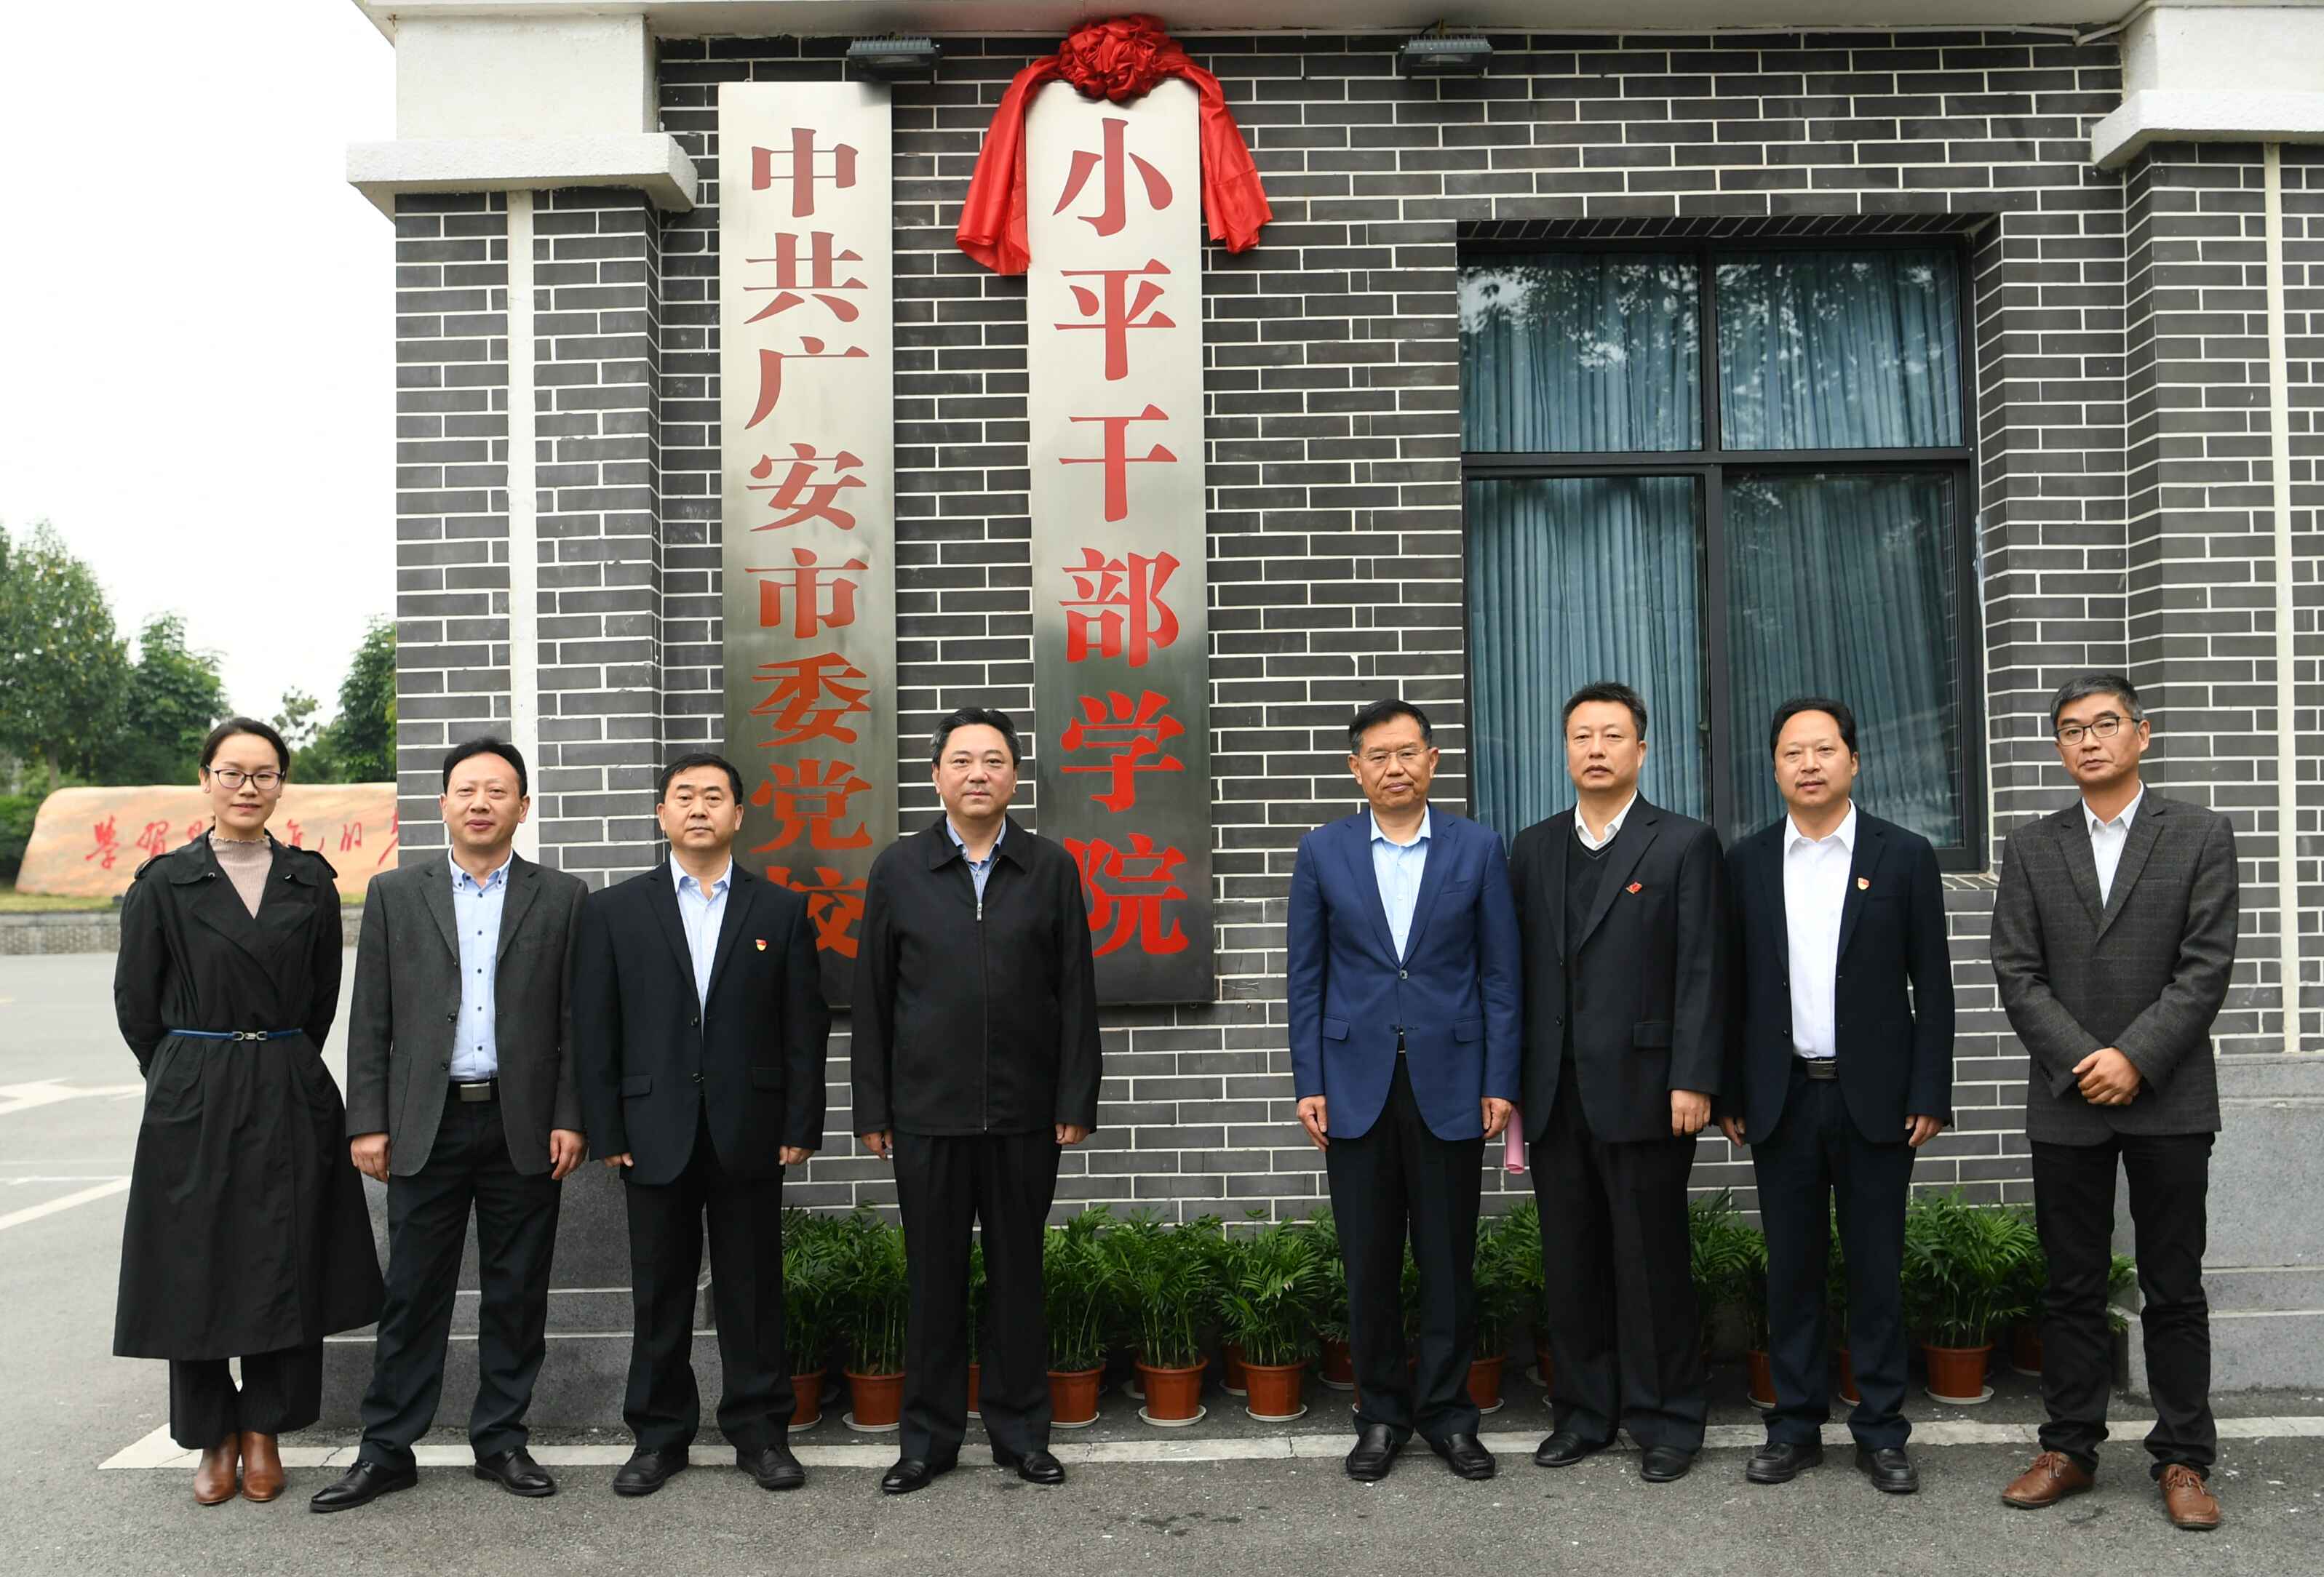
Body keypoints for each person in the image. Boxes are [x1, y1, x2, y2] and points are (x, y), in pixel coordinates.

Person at [309, 739, 590, 1512]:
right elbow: (371, 1017)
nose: (480, 802)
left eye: (497, 790)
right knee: (413, 1292)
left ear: (523, 806)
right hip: (423, 1123)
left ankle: (501, 1439)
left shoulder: (563, 896)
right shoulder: (397, 892)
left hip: (521, 1122)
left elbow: (576, 1022)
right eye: (466, 789)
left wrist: (570, 1116)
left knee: (516, 1292)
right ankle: (386, 1449)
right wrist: (367, 1119)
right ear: (442, 804)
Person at [111, 718, 384, 1506]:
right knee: (193, 1262)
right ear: (205, 779)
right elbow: (136, 1003)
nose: (247, 787)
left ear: (281, 784)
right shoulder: (165, 882)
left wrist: (277, 1060)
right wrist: (183, 1072)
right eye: (231, 772)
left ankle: (265, 1427)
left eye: (264, 773)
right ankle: (211, 1433)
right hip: (194, 1086)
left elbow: (322, 996)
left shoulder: (309, 880)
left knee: (286, 1255)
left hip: (287, 1077)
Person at [1991, 674, 2238, 1532]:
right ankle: (2067, 1446)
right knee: (2070, 1285)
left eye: (2104, 723)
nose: (2087, 740)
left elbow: (2204, 965)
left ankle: (2182, 1456)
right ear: (2057, 747)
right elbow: (2015, 971)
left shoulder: (2198, 833)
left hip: (2169, 1092)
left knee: (2172, 1284)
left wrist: (2133, 1057)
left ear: (2141, 732)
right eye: (2070, 729)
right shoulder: (2030, 845)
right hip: (2066, 1095)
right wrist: (2083, 1059)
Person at [851, 707, 1101, 1496]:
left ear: (1015, 777)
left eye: (993, 760)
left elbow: (1076, 989)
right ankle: (926, 1441)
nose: (977, 774)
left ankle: (1021, 1435)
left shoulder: (1049, 866)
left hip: (1025, 1112)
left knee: (1018, 1276)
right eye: (961, 760)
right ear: (936, 776)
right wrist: (872, 1109)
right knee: (932, 1281)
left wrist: (1075, 1095)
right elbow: (871, 998)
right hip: (926, 1112)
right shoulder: (899, 868)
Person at [573, 753, 831, 1497]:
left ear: (738, 815)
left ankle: (761, 1432)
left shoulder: (779, 910)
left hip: (750, 1125)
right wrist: (606, 1127)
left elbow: (803, 1027)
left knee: (753, 1289)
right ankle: (658, 1437)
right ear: (661, 814)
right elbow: (595, 1028)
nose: (698, 808)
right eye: (683, 796)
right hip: (651, 1128)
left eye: (714, 796)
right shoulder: (615, 910)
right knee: (660, 1291)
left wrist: (801, 1121)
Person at [1719, 698, 1953, 1495]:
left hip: (1877, 1100)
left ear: (1853, 760)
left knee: (1875, 1271)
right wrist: (1730, 1089)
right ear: (1774, 767)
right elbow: (1730, 988)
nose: (1808, 764)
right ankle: (1793, 1427)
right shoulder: (1747, 861)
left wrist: (1930, 1089)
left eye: (1823, 749)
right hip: (1781, 1096)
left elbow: (1934, 985)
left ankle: (1882, 1431)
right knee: (1791, 1272)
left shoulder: (1903, 855)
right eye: (1793, 752)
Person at [1286, 698, 1521, 1484]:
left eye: (1408, 752)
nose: (1395, 767)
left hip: (1451, 1082)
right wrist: (1309, 1080)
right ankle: (1381, 1415)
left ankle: (1450, 1416)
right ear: (1355, 769)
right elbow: (1305, 977)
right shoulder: (1322, 851)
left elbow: (1500, 975)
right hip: (1353, 1086)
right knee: (1369, 1261)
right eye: (1378, 756)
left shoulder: (1477, 848)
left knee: (1449, 1262)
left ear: (1433, 760)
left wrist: (1499, 1077)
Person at [1510, 682, 1723, 1483]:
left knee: (1650, 1262)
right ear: (1564, 750)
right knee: (1570, 1264)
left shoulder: (1683, 843)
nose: (1594, 749)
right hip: (1554, 1092)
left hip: (1648, 1088)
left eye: (1611, 734)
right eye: (1580, 736)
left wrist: (1693, 1075)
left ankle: (1666, 1419)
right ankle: (1583, 1412)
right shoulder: (1532, 847)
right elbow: (1516, 971)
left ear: (1642, 747)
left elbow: (1703, 968)